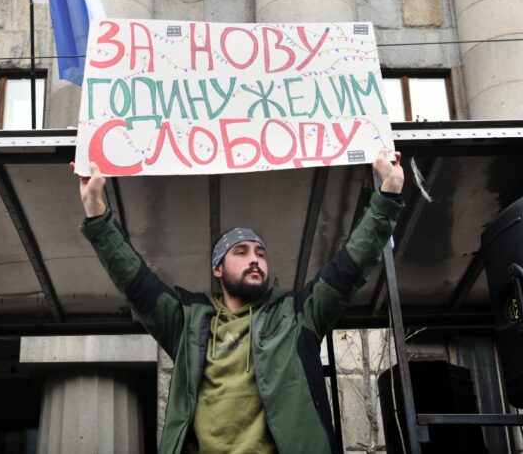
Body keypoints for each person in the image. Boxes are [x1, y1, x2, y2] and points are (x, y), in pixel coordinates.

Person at [72, 149, 404, 454]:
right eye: (241, 252)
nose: (255, 259)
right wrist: (97, 214)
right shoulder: (186, 323)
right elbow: (135, 282)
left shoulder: (298, 316)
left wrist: (387, 195)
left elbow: (348, 268)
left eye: (260, 253)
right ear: (218, 268)